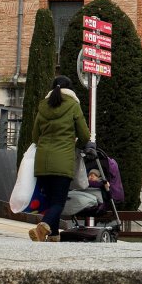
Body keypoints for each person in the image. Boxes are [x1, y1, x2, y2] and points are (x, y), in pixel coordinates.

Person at [28, 75, 89, 242]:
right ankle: (43, 228)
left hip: (42, 162)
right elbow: (84, 134)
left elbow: (35, 136)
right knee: (58, 202)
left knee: (49, 201)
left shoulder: (43, 107)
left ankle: (54, 236)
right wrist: (78, 144)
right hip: (62, 161)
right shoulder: (73, 106)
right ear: (70, 89)